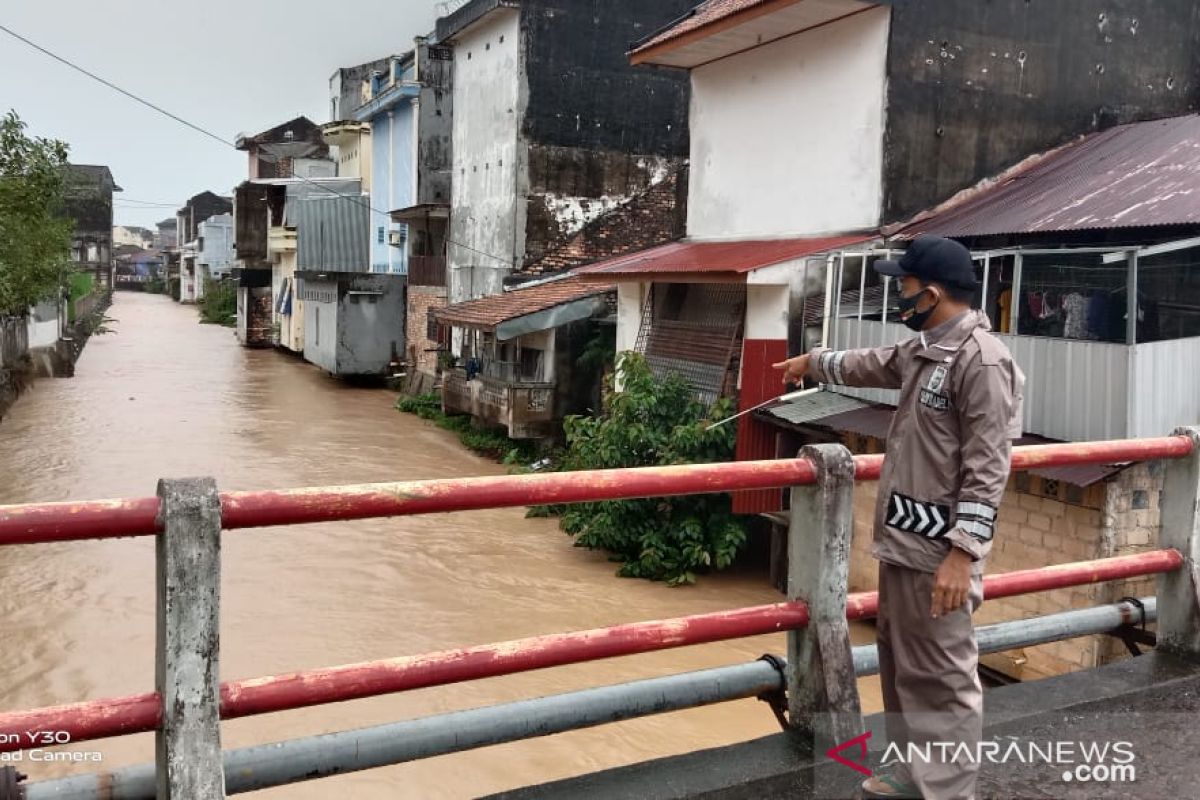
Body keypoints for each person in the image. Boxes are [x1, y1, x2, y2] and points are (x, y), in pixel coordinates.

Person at [774, 236, 1024, 800]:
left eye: (904, 290)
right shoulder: (927, 349)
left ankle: (949, 789)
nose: (899, 299)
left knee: (942, 675)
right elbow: (873, 362)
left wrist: (963, 553)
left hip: (941, 553)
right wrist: (813, 362)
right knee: (902, 665)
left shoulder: (981, 362)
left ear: (931, 294)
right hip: (904, 542)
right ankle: (916, 771)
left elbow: (989, 467)